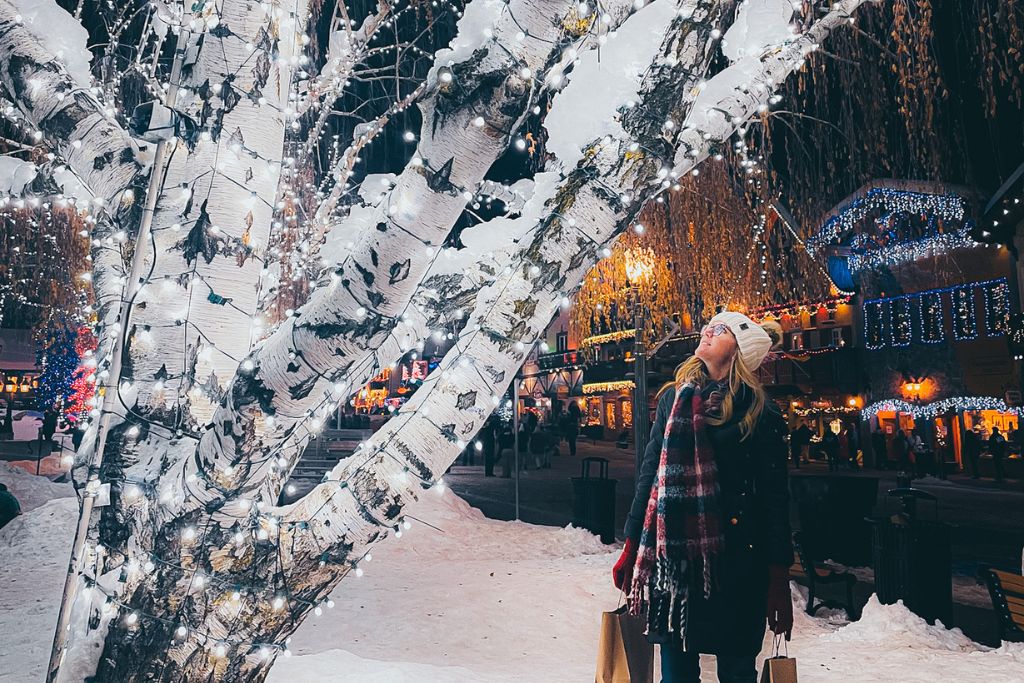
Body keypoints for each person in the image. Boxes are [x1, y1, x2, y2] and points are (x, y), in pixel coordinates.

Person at [612, 312, 792, 683]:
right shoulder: (672, 402)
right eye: (710, 326)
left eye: (721, 329)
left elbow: (775, 500)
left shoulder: (762, 413)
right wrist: (631, 546)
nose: (708, 331)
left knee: (738, 672)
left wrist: (778, 579)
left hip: (739, 564)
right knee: (676, 676)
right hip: (677, 568)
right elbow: (650, 477)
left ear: (739, 351)